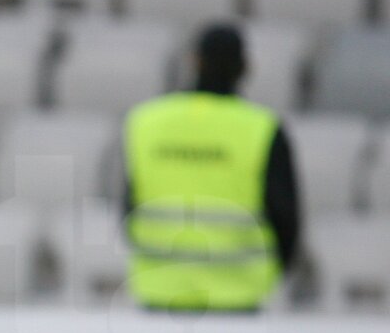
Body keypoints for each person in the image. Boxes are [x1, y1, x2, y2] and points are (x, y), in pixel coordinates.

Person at [123, 23, 300, 311]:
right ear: (245, 67)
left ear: (194, 60)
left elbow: (128, 205)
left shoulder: (145, 122)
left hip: (160, 290)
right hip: (237, 293)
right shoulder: (262, 128)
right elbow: (285, 217)